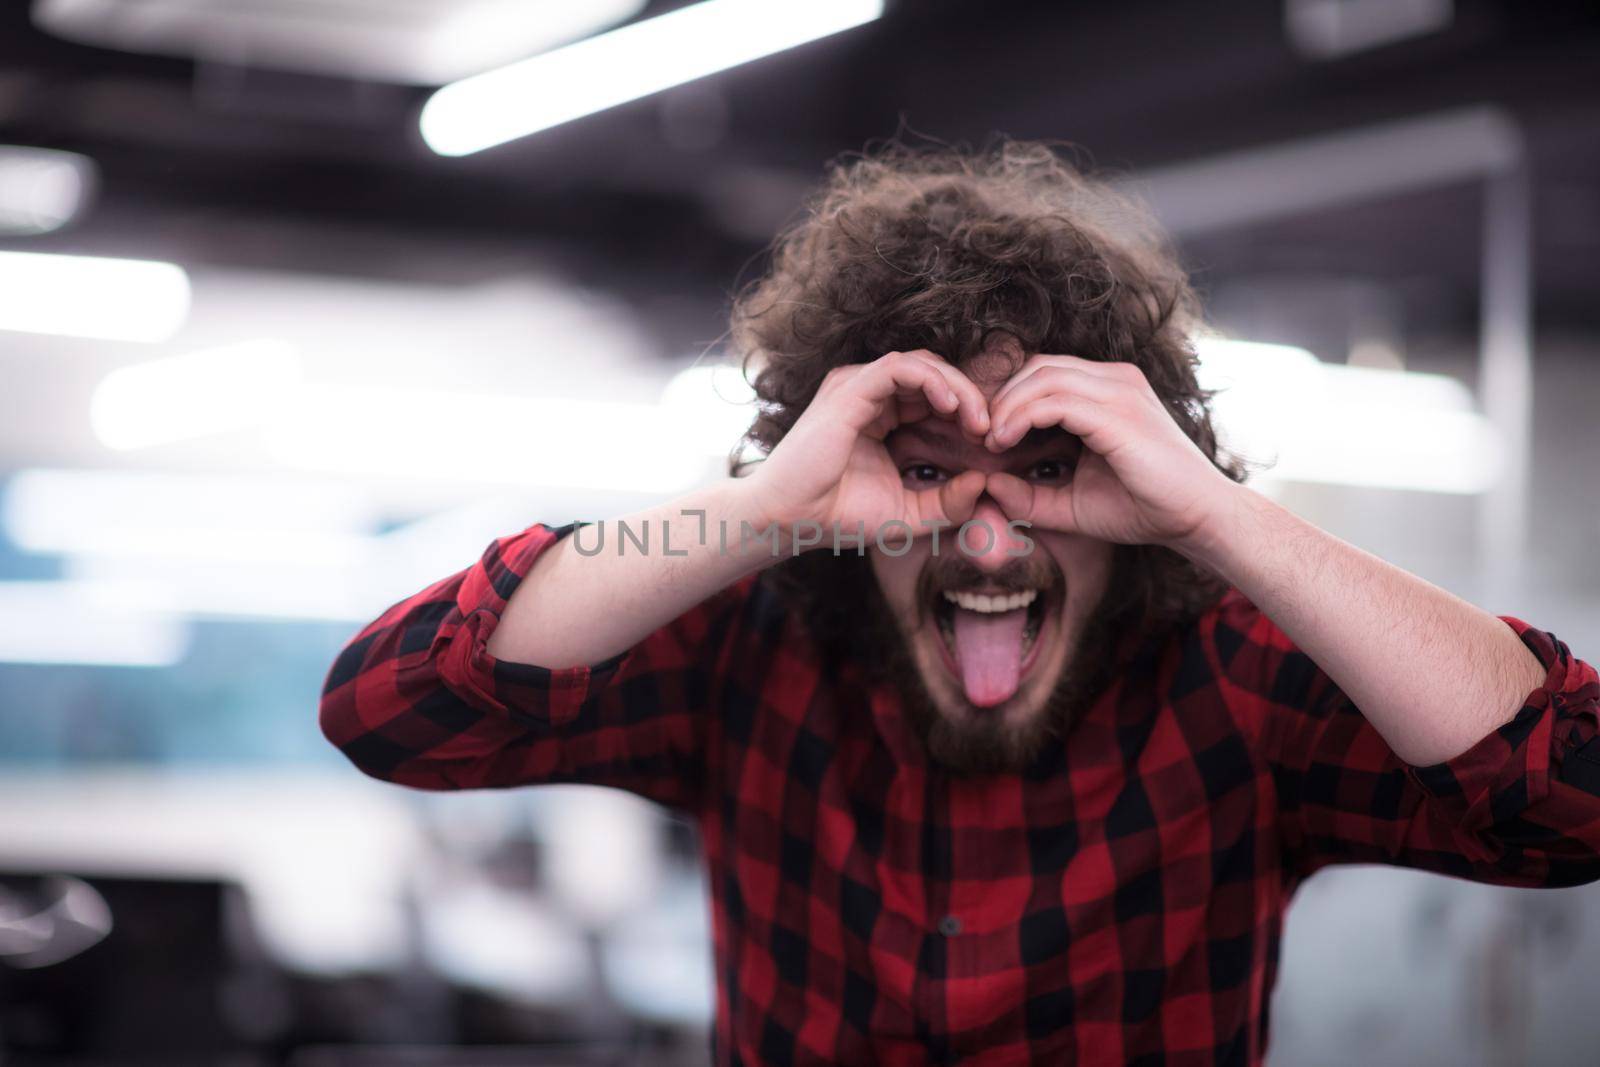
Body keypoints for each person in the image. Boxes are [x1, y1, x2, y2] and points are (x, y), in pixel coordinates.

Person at [319, 141, 1600, 1065]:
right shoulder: (738, 649)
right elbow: (389, 709)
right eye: (925, 472)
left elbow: (1575, 802)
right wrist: (768, 506)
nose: (987, 540)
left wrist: (1214, 509)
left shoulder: (1235, 677)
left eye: (1049, 469)